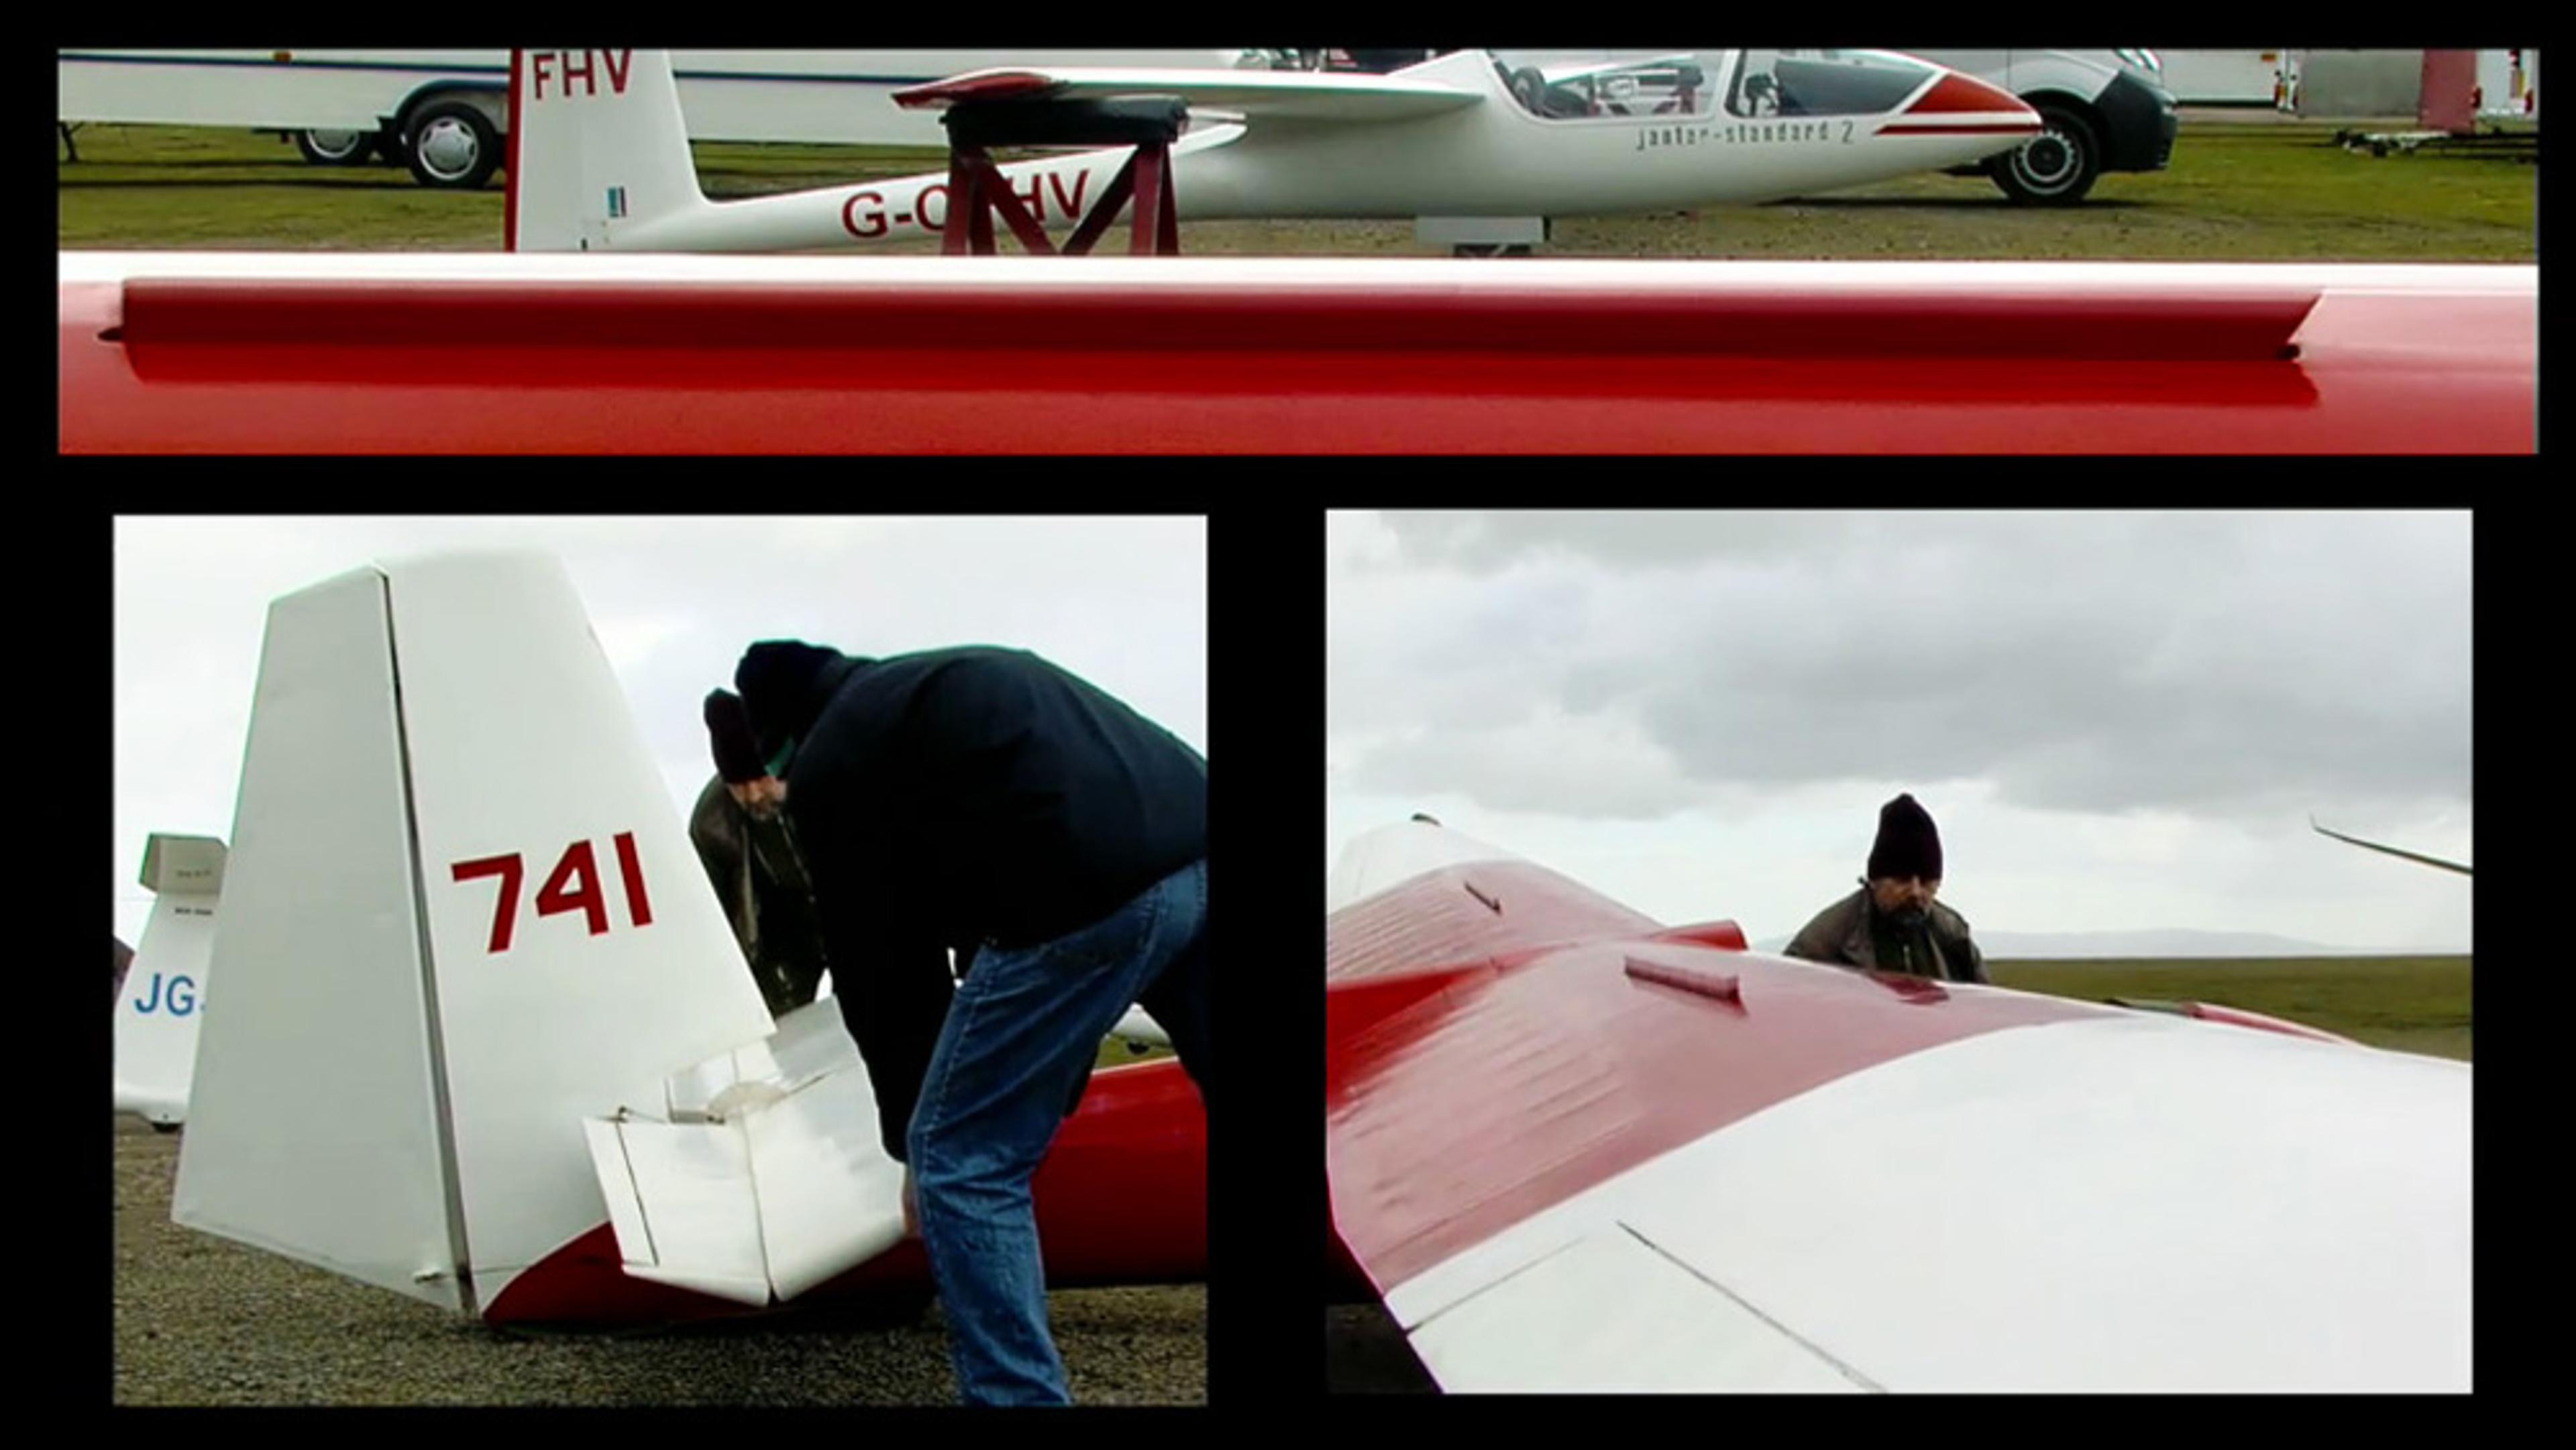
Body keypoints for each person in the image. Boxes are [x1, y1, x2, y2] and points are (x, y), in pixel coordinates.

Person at [733, 638, 1208, 1406]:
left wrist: (914, 1146)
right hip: (1200, 848)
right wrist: (1051, 1074)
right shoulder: (933, 691)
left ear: (783, 736)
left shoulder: (833, 761)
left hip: (1089, 886)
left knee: (962, 1159)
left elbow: (882, 969)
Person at [686, 689, 830, 1017]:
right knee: (782, 1043)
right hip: (782, 940)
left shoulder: (826, 770)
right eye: (738, 785)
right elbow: (710, 920)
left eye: (758, 778)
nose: (752, 795)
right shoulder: (711, 822)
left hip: (856, 915)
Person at [1783, 793, 1988, 984]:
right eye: (1902, 880)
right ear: (1874, 881)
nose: (1915, 892)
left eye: (1926, 882)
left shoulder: (1952, 935)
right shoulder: (1825, 942)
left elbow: (1984, 1004)